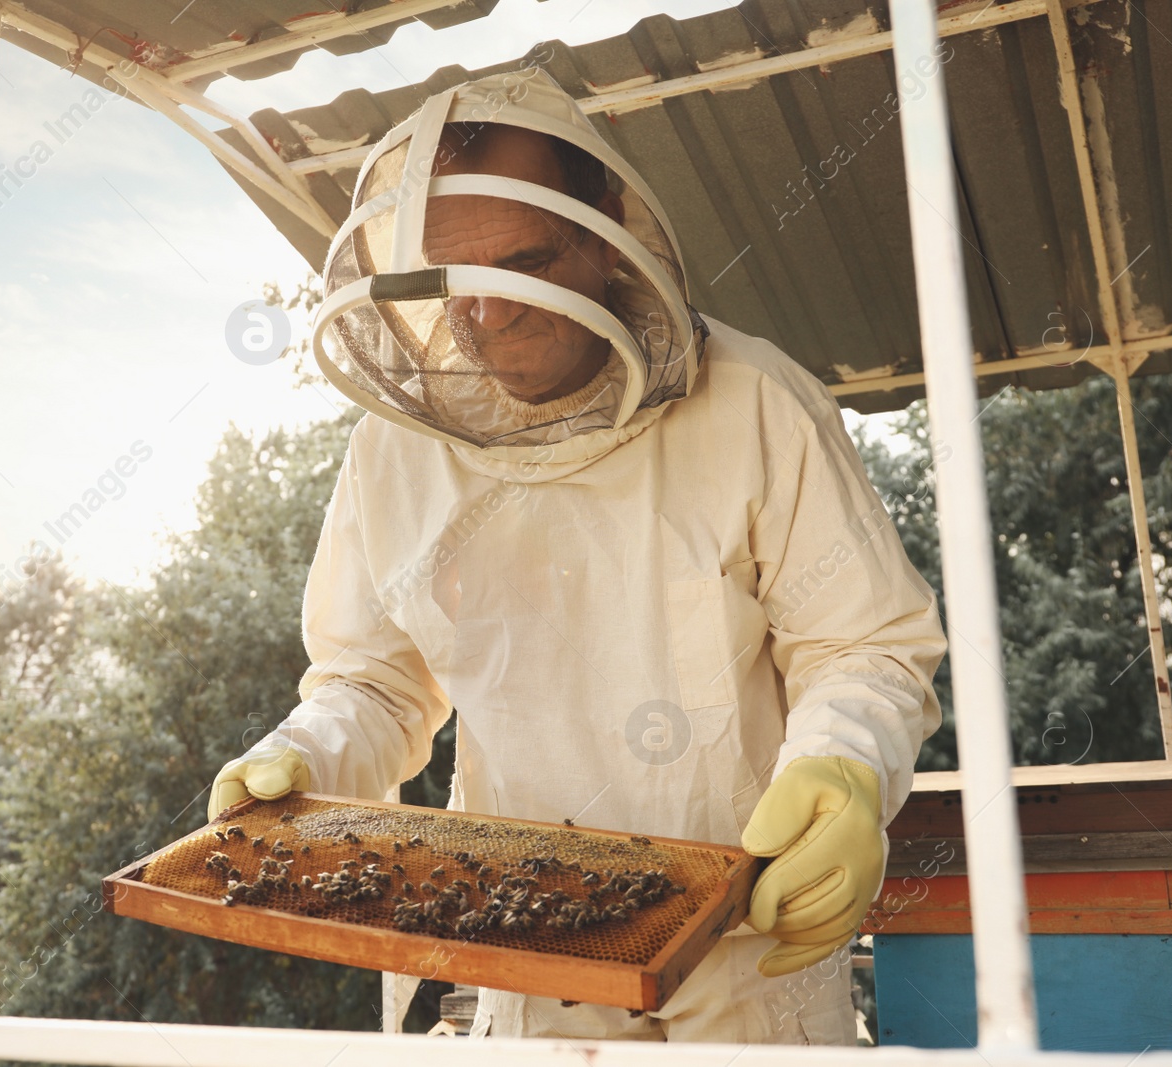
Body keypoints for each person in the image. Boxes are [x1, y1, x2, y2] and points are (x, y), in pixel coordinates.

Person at [207, 68, 947, 1044]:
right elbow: (377, 685)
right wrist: (302, 755)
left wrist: (843, 764)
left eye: (524, 264)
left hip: (744, 962)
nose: (489, 314)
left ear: (606, 228)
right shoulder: (395, 455)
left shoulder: (759, 404)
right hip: (522, 954)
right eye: (456, 284)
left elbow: (863, 648)